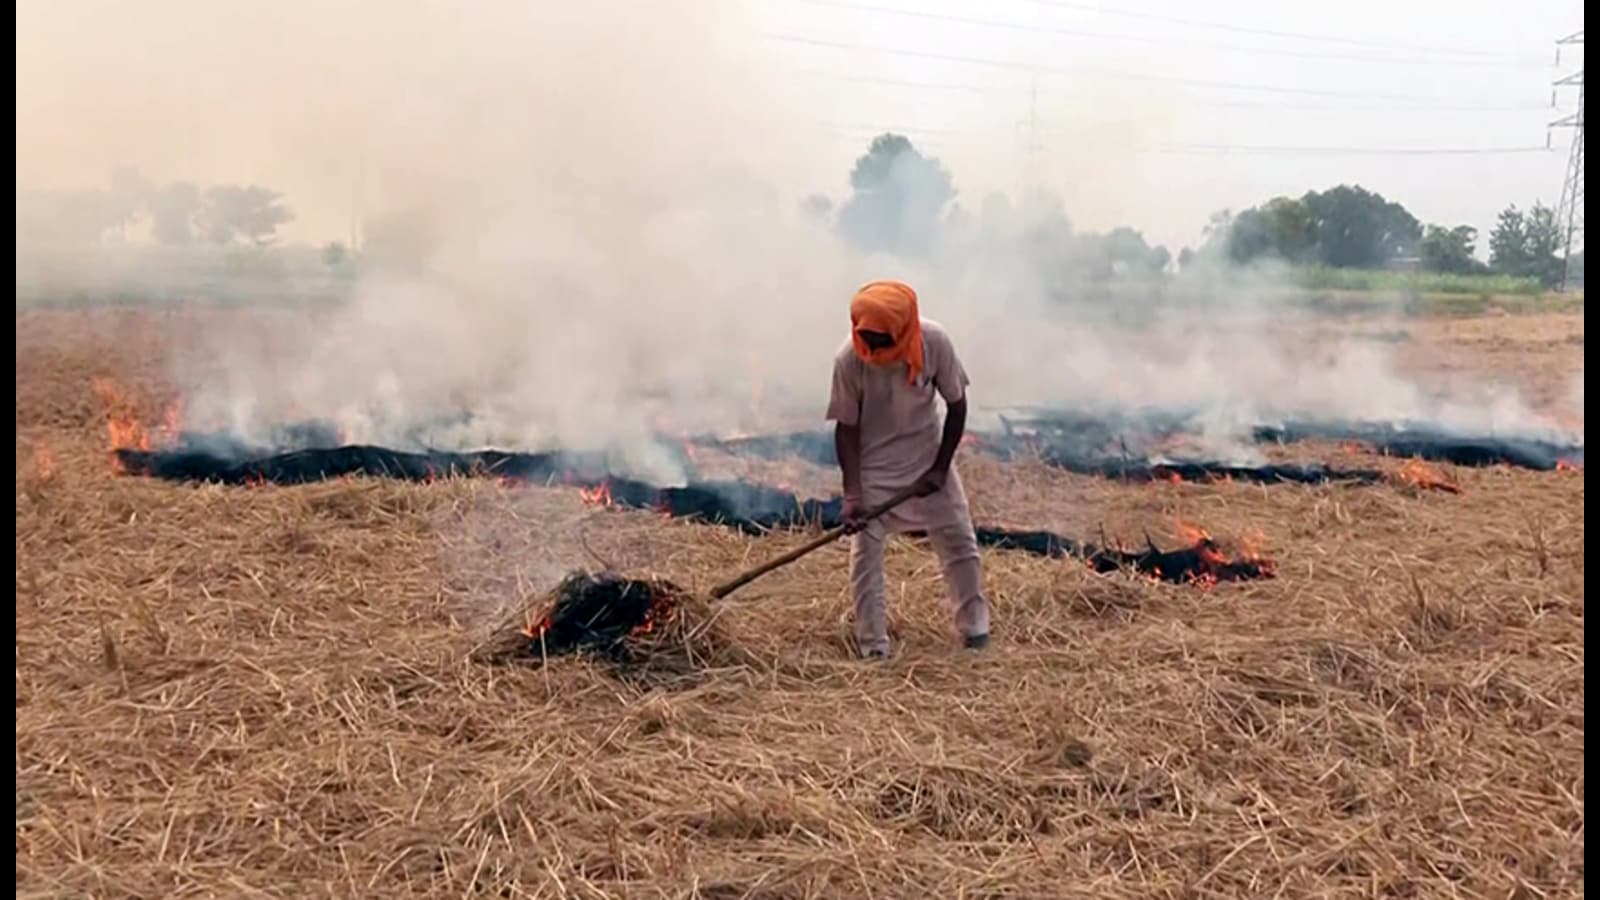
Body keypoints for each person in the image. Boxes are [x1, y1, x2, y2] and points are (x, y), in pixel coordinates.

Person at [825, 279, 991, 659]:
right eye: (866, 337)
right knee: (866, 558)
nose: (874, 348)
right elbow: (846, 428)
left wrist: (939, 467)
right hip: (875, 470)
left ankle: (975, 632)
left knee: (960, 543)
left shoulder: (934, 343)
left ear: (903, 328)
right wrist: (853, 495)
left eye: (883, 340)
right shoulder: (849, 359)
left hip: (928, 461)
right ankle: (873, 648)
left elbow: (957, 404)